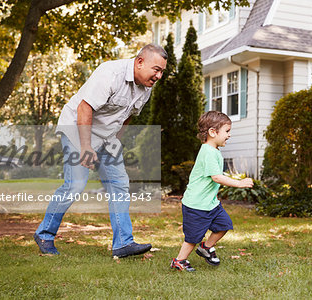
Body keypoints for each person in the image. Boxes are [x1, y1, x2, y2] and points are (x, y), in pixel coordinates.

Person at [34, 44, 167, 258]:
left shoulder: (146, 88)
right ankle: (44, 235)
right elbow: (84, 108)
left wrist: (115, 141)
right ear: (140, 61)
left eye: (162, 71)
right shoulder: (110, 74)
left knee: (119, 184)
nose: (159, 76)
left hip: (106, 136)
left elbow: (128, 116)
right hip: (77, 128)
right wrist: (86, 147)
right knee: (75, 185)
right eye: (156, 69)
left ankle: (123, 243)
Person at [170, 111, 254, 272]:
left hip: (210, 204)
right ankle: (179, 261)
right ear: (213, 132)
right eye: (227, 131)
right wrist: (239, 183)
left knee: (224, 225)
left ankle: (206, 247)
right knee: (192, 238)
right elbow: (216, 177)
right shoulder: (208, 151)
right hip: (196, 205)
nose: (229, 135)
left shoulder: (214, 151)